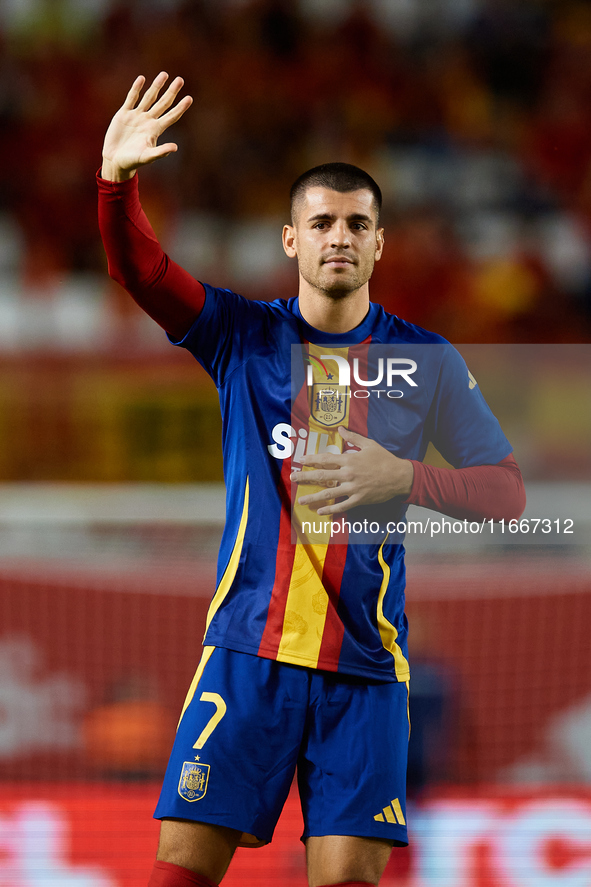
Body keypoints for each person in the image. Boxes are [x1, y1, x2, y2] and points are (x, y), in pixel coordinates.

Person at [98, 73, 526, 887]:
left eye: (356, 223)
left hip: (365, 668)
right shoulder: (241, 336)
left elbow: (504, 490)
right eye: (321, 221)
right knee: (179, 874)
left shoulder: (425, 361)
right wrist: (116, 184)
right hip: (246, 651)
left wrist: (404, 476)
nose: (339, 236)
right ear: (290, 239)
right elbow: (142, 273)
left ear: (378, 244)